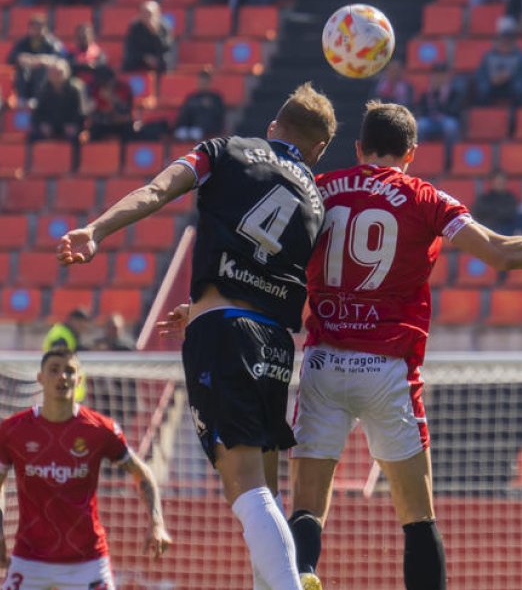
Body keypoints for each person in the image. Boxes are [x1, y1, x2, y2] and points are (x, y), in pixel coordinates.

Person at [155, 102, 522, 590]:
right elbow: (502, 253)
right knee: (417, 514)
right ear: (412, 153)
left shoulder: (319, 191)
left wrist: (202, 306)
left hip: (324, 363)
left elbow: (267, 257)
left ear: (359, 148)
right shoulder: (426, 198)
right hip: (388, 370)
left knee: (306, 508)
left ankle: (303, 575)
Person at [59, 83, 338, 590]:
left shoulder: (223, 149)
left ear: (274, 126)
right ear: (318, 149)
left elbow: (156, 191)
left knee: (244, 484)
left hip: (223, 333)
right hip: (275, 342)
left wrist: (96, 230)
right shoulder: (316, 198)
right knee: (267, 490)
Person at [0, 348, 171, 588]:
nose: (62, 376)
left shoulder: (99, 429)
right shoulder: (13, 430)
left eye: (69, 371)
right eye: (54, 370)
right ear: (40, 377)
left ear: (79, 379)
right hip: (30, 559)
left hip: (87, 560)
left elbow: (141, 473)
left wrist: (157, 523)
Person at [29, 59, 88, 150]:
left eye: (59, 72)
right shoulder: (44, 89)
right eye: (53, 72)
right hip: (51, 124)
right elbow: (38, 113)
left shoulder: (76, 89)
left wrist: (74, 124)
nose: (56, 75)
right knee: (32, 137)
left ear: (67, 73)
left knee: (78, 138)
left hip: (70, 124)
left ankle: (74, 163)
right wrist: (43, 124)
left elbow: (82, 112)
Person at [9, 14, 65, 102]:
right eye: (34, 28)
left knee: (41, 70)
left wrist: (44, 60)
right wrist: (22, 58)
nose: (37, 31)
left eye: (40, 28)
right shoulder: (23, 43)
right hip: (27, 75)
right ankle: (22, 99)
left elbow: (61, 58)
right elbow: (11, 57)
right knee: (21, 71)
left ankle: (38, 99)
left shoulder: (53, 43)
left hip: (46, 78)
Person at [475, 29, 522, 105]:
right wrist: (492, 79)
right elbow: (480, 74)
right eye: (502, 43)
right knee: (483, 89)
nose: (504, 46)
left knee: (519, 89)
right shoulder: (487, 57)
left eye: (507, 44)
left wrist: (510, 77)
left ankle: (514, 115)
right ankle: (485, 113)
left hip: (512, 84)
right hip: (492, 83)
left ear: (512, 44)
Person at [415, 64, 464, 152]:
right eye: (437, 75)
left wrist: (441, 95)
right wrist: (434, 95)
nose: (439, 78)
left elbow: (454, 111)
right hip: (429, 120)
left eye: (442, 75)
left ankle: (450, 156)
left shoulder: (454, 93)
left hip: (446, 120)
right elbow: (421, 110)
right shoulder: (427, 93)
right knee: (420, 126)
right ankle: (421, 154)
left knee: (451, 127)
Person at [174, 70, 226, 142]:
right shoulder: (192, 97)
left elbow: (219, 116)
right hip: (190, 127)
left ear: (209, 83)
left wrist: (209, 107)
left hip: (207, 129)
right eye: (200, 83)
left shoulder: (216, 98)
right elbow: (184, 114)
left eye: (204, 83)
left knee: (196, 134)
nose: (202, 85)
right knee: (181, 133)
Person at [88, 66, 136, 143]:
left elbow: (126, 110)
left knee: (129, 130)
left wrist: (112, 99)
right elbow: (92, 112)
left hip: (121, 122)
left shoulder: (124, 88)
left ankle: (127, 152)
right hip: (103, 122)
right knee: (94, 130)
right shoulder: (94, 89)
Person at [122, 1, 172, 73]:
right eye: (143, 13)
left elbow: (166, 48)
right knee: (128, 62)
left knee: (165, 63)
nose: (146, 16)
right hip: (142, 57)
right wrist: (144, 57)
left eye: (149, 13)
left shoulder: (164, 27)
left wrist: (155, 32)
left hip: (158, 56)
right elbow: (131, 48)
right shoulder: (135, 27)